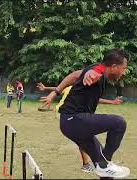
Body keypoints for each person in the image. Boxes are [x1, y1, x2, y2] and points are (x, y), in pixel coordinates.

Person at [40, 49, 130, 178]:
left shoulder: (101, 74)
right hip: (73, 120)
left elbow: (75, 75)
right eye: (123, 68)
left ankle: (104, 166)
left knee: (104, 170)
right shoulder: (99, 70)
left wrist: (55, 92)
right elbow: (93, 72)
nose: (124, 72)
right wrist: (90, 74)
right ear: (114, 67)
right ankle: (105, 164)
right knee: (119, 123)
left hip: (72, 124)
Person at [37, 82, 123, 173]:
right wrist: (112, 102)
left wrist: (46, 88)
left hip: (65, 115)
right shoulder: (76, 88)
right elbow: (58, 88)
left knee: (83, 136)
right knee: (83, 135)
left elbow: (58, 88)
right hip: (65, 115)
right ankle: (89, 163)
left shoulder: (73, 87)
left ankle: (96, 163)